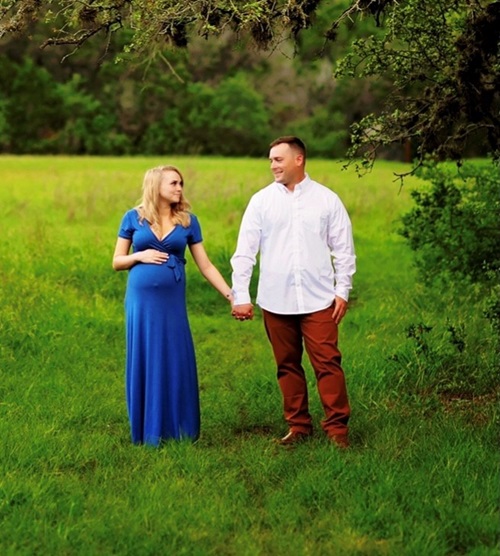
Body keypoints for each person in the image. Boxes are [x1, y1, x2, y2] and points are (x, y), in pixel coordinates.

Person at [230, 136, 356, 448]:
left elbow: (343, 250)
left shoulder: (327, 200)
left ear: (298, 160)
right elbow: (245, 252)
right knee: (287, 365)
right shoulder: (261, 201)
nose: (272, 165)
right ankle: (299, 427)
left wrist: (343, 290)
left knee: (328, 363)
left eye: (278, 159)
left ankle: (337, 430)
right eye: (271, 160)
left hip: (319, 300)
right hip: (275, 299)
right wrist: (241, 294)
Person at [113, 165, 233, 446]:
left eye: (181, 183)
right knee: (146, 356)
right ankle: (148, 430)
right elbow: (117, 261)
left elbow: (205, 265)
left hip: (171, 302)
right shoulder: (133, 218)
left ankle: (181, 429)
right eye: (174, 183)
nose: (180, 188)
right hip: (140, 302)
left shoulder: (188, 221)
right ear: (156, 186)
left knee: (175, 355)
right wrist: (139, 256)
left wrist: (231, 295)